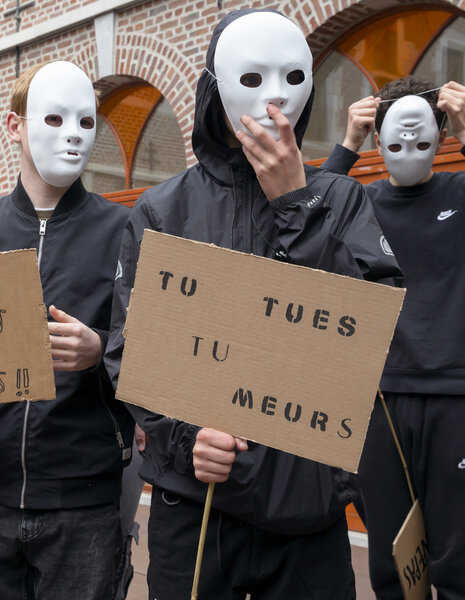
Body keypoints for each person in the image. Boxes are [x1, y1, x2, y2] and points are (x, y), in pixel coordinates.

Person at [104, 9, 402, 599]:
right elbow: (131, 348)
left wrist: (298, 204)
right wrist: (187, 439)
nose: (274, 99)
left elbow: (372, 332)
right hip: (196, 506)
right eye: (251, 78)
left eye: (291, 79)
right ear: (215, 90)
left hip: (307, 508)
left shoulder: (341, 201)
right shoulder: (164, 211)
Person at [321, 75, 465, 599]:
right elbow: (297, 232)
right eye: (394, 139)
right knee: (392, 559)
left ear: (441, 135)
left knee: (460, 556)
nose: (408, 150)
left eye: (424, 139)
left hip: (462, 399)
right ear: (378, 140)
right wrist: (345, 147)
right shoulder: (357, 203)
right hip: (378, 401)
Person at [0, 60, 134, 600]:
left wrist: (103, 353)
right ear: (15, 125)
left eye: (86, 123)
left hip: (83, 504)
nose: (72, 135)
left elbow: (158, 360)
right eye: (54, 118)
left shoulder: (125, 233)